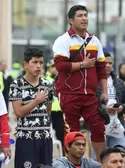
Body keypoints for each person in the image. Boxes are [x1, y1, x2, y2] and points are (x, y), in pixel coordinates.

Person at [52, 5, 107, 161]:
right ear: (71, 20)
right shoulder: (63, 40)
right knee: (73, 134)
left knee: (98, 129)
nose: (84, 18)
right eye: (80, 16)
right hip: (69, 95)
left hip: (90, 96)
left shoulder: (95, 41)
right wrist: (82, 64)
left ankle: (101, 163)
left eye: (86, 15)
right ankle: (72, 164)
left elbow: (101, 68)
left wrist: (104, 92)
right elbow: (60, 66)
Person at [9, 48, 53, 167]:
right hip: (26, 139)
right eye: (34, 62)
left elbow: (48, 111)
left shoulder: (47, 84)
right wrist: (36, 101)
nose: (38, 66)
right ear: (25, 64)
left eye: (41, 62)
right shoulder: (16, 85)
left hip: (45, 137)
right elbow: (18, 112)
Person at [96, 52, 125, 148]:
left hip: (117, 124)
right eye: (105, 63)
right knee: (99, 158)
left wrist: (122, 107)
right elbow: (89, 103)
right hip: (99, 124)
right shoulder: (92, 82)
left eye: (110, 63)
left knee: (120, 153)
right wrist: (105, 109)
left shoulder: (120, 83)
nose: (108, 65)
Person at [45, 59, 65, 148]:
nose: (55, 69)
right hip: (48, 110)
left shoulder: (61, 79)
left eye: (56, 66)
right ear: (48, 69)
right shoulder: (44, 79)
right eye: (52, 67)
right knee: (46, 132)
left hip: (59, 110)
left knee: (61, 132)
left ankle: (62, 151)